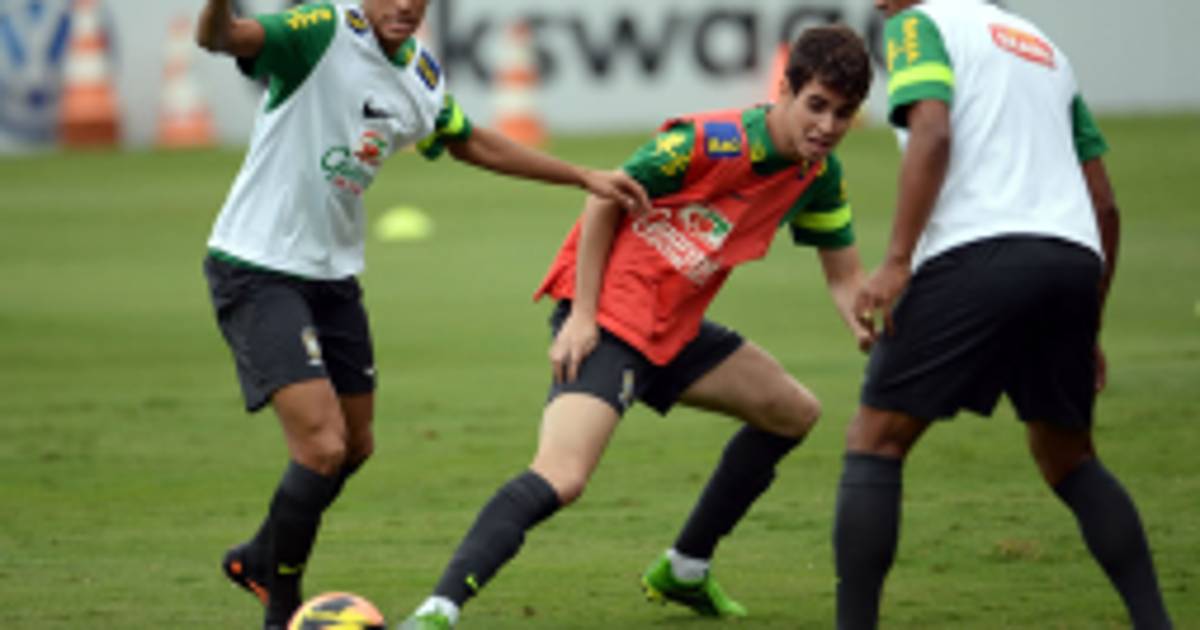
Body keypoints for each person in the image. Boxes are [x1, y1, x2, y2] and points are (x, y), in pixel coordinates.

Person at [398, 25, 875, 629]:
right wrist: (581, 316)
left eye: (843, 113)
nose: (828, 126)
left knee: (793, 412)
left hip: (675, 329)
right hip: (612, 320)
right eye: (816, 105)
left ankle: (686, 568)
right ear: (784, 90)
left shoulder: (819, 175)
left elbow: (844, 277)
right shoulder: (709, 141)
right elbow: (604, 198)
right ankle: (437, 610)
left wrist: (869, 325)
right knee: (562, 476)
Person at [194, 1, 650, 628]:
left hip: (332, 278)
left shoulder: (420, 75)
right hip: (256, 266)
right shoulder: (320, 30)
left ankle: (257, 558)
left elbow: (470, 141)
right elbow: (223, 38)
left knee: (355, 446)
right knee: (321, 447)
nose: (407, 4)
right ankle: (282, 608)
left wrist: (581, 177)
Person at [833, 1, 1174, 628]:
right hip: (1073, 261)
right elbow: (1104, 202)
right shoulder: (1043, 47)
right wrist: (1090, 324)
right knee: (1069, 458)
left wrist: (898, 261)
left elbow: (933, 132)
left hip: (978, 253)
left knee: (875, 440)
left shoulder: (918, 25)